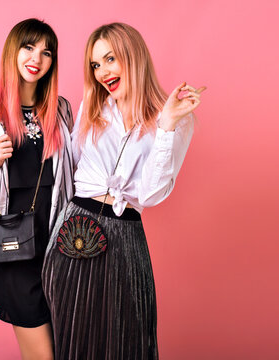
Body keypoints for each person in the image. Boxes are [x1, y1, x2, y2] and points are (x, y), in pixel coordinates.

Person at [41, 23, 205, 359]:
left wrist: (166, 125)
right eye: (95, 65)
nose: (102, 72)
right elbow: (66, 169)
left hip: (125, 237)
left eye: (110, 59)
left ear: (133, 56)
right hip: (74, 230)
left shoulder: (174, 118)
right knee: (72, 340)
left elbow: (150, 195)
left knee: (125, 340)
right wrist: (5, 187)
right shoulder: (93, 106)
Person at [0, 18, 74, 360]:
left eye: (47, 52)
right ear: (14, 51)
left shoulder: (61, 109)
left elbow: (75, 171)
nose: (37, 58)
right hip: (15, 243)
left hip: (60, 240)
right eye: (29, 48)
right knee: (43, 356)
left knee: (65, 346)